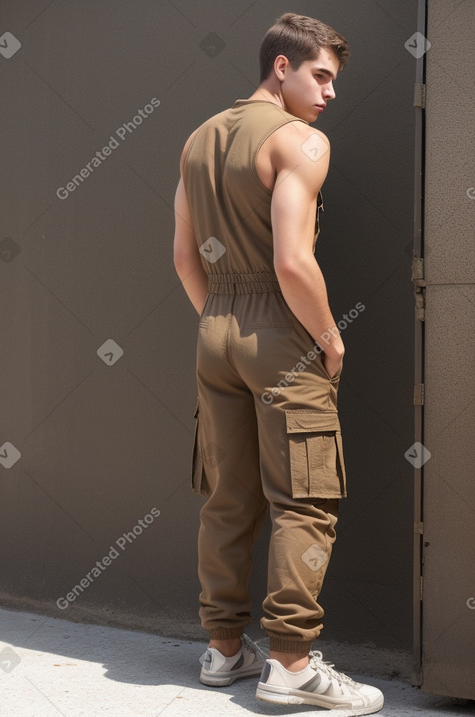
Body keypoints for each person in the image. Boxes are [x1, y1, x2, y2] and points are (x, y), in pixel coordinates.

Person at [173, 12, 384, 714]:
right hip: (279, 331)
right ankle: (291, 662)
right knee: (304, 498)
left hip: (216, 327)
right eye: (321, 75)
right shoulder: (301, 141)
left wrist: (221, 315)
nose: (329, 93)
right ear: (282, 67)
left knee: (228, 494)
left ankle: (224, 650)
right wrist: (329, 335)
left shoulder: (200, 139)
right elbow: (293, 259)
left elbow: (183, 255)